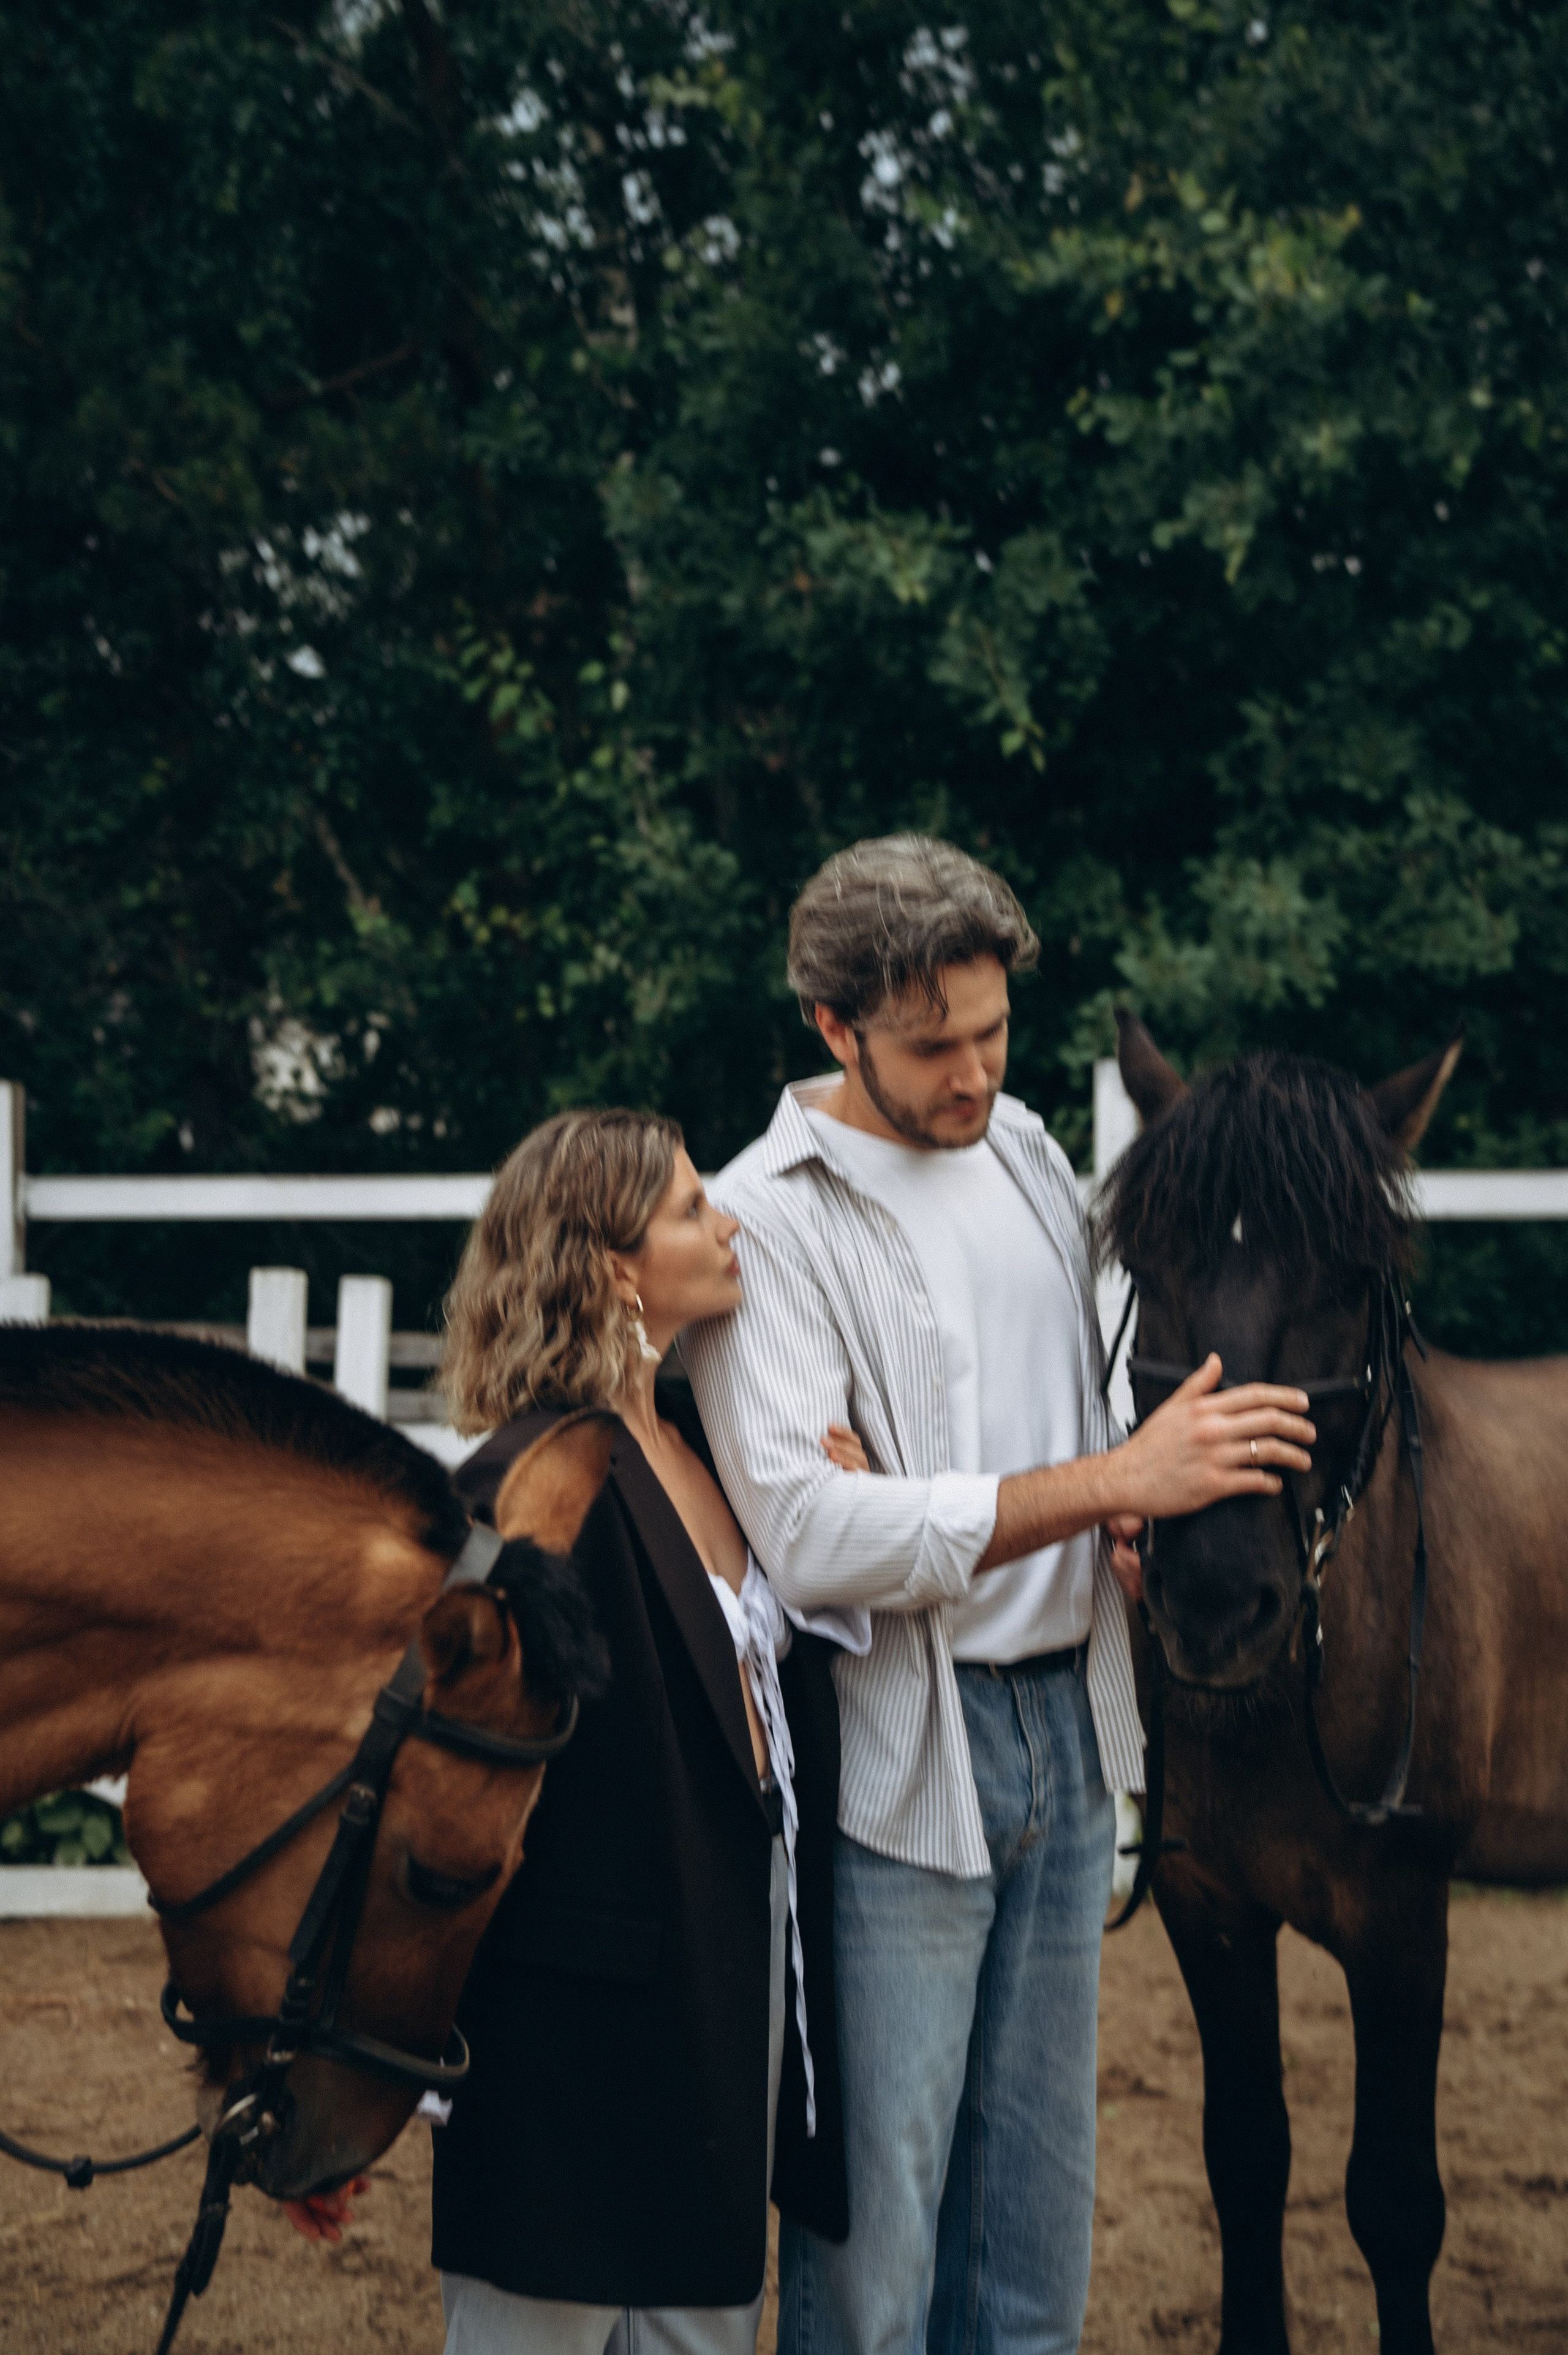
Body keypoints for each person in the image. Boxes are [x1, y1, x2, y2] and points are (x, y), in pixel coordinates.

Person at [682, 836, 1317, 2355]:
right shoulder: (763, 1217)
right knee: (880, 2227)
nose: (972, 1072)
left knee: (1033, 2222)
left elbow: (1075, 1408)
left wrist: (1110, 1506)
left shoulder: (1030, 1152)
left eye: (991, 1029)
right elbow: (820, 1536)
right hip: (904, 1752)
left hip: (1069, 1721)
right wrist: (1105, 1487)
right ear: (834, 1031)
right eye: (931, 1045)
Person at [428, 1107, 851, 2355]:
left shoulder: (702, 1448)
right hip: (572, 2046)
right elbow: (447, 1780)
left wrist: (847, 1489)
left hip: (728, 1982)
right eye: (688, 1206)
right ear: (615, 1264)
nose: (726, 1223)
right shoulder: (527, 1485)